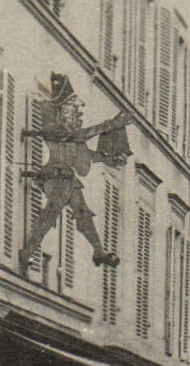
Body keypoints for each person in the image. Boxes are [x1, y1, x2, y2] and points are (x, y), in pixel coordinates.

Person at [17, 73, 132, 271]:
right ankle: (28, 251)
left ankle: (98, 251)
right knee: (51, 214)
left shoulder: (71, 134)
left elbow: (82, 154)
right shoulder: (55, 127)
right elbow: (76, 137)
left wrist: (107, 157)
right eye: (72, 108)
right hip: (55, 176)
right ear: (61, 110)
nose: (76, 112)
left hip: (68, 178)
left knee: (83, 214)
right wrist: (107, 125)